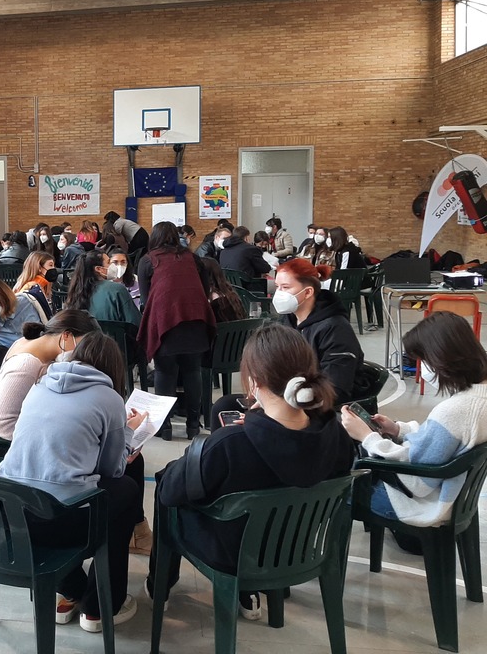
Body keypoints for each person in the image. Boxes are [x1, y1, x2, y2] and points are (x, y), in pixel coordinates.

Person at [147, 324, 355, 620]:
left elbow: (171, 493)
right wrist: (261, 421)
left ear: (254, 381)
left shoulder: (229, 445)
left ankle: (160, 585)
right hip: (295, 548)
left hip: (236, 555)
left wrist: (256, 424)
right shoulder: (336, 436)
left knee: (166, 481)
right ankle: (250, 596)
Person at [0, 332, 145, 632]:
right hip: (62, 519)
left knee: (68, 489)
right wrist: (128, 431)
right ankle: (100, 606)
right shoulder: (109, 398)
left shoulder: (39, 385)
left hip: (12, 511)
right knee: (126, 491)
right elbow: (112, 469)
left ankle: (71, 588)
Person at [342, 312, 487, 549]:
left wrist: (368, 437)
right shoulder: (479, 397)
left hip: (425, 505)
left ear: (442, 358)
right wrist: (398, 430)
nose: (422, 368)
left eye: (423, 360)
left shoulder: (455, 410)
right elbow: (441, 441)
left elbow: (417, 483)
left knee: (340, 487)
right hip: (456, 497)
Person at [137, 222, 216, 439]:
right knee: (192, 371)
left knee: (164, 372)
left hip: (165, 322)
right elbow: (205, 291)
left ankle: (165, 427)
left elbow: (145, 300)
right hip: (195, 320)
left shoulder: (148, 260)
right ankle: (193, 425)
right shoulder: (193, 258)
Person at [0, 309, 100, 440]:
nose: (83, 352)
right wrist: (51, 439)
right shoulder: (26, 365)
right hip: (22, 444)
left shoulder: (32, 343)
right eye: (83, 345)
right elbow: (1, 423)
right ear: (66, 335)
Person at [271, 258, 363, 405]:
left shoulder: (335, 328)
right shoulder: (286, 320)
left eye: (286, 287)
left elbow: (335, 386)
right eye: (277, 287)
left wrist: (283, 403)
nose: (279, 293)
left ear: (308, 292)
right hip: (290, 394)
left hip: (323, 404)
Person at [66, 250, 140, 327]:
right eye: (109, 262)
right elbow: (135, 323)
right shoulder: (117, 290)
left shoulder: (76, 291)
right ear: (99, 269)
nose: (113, 266)